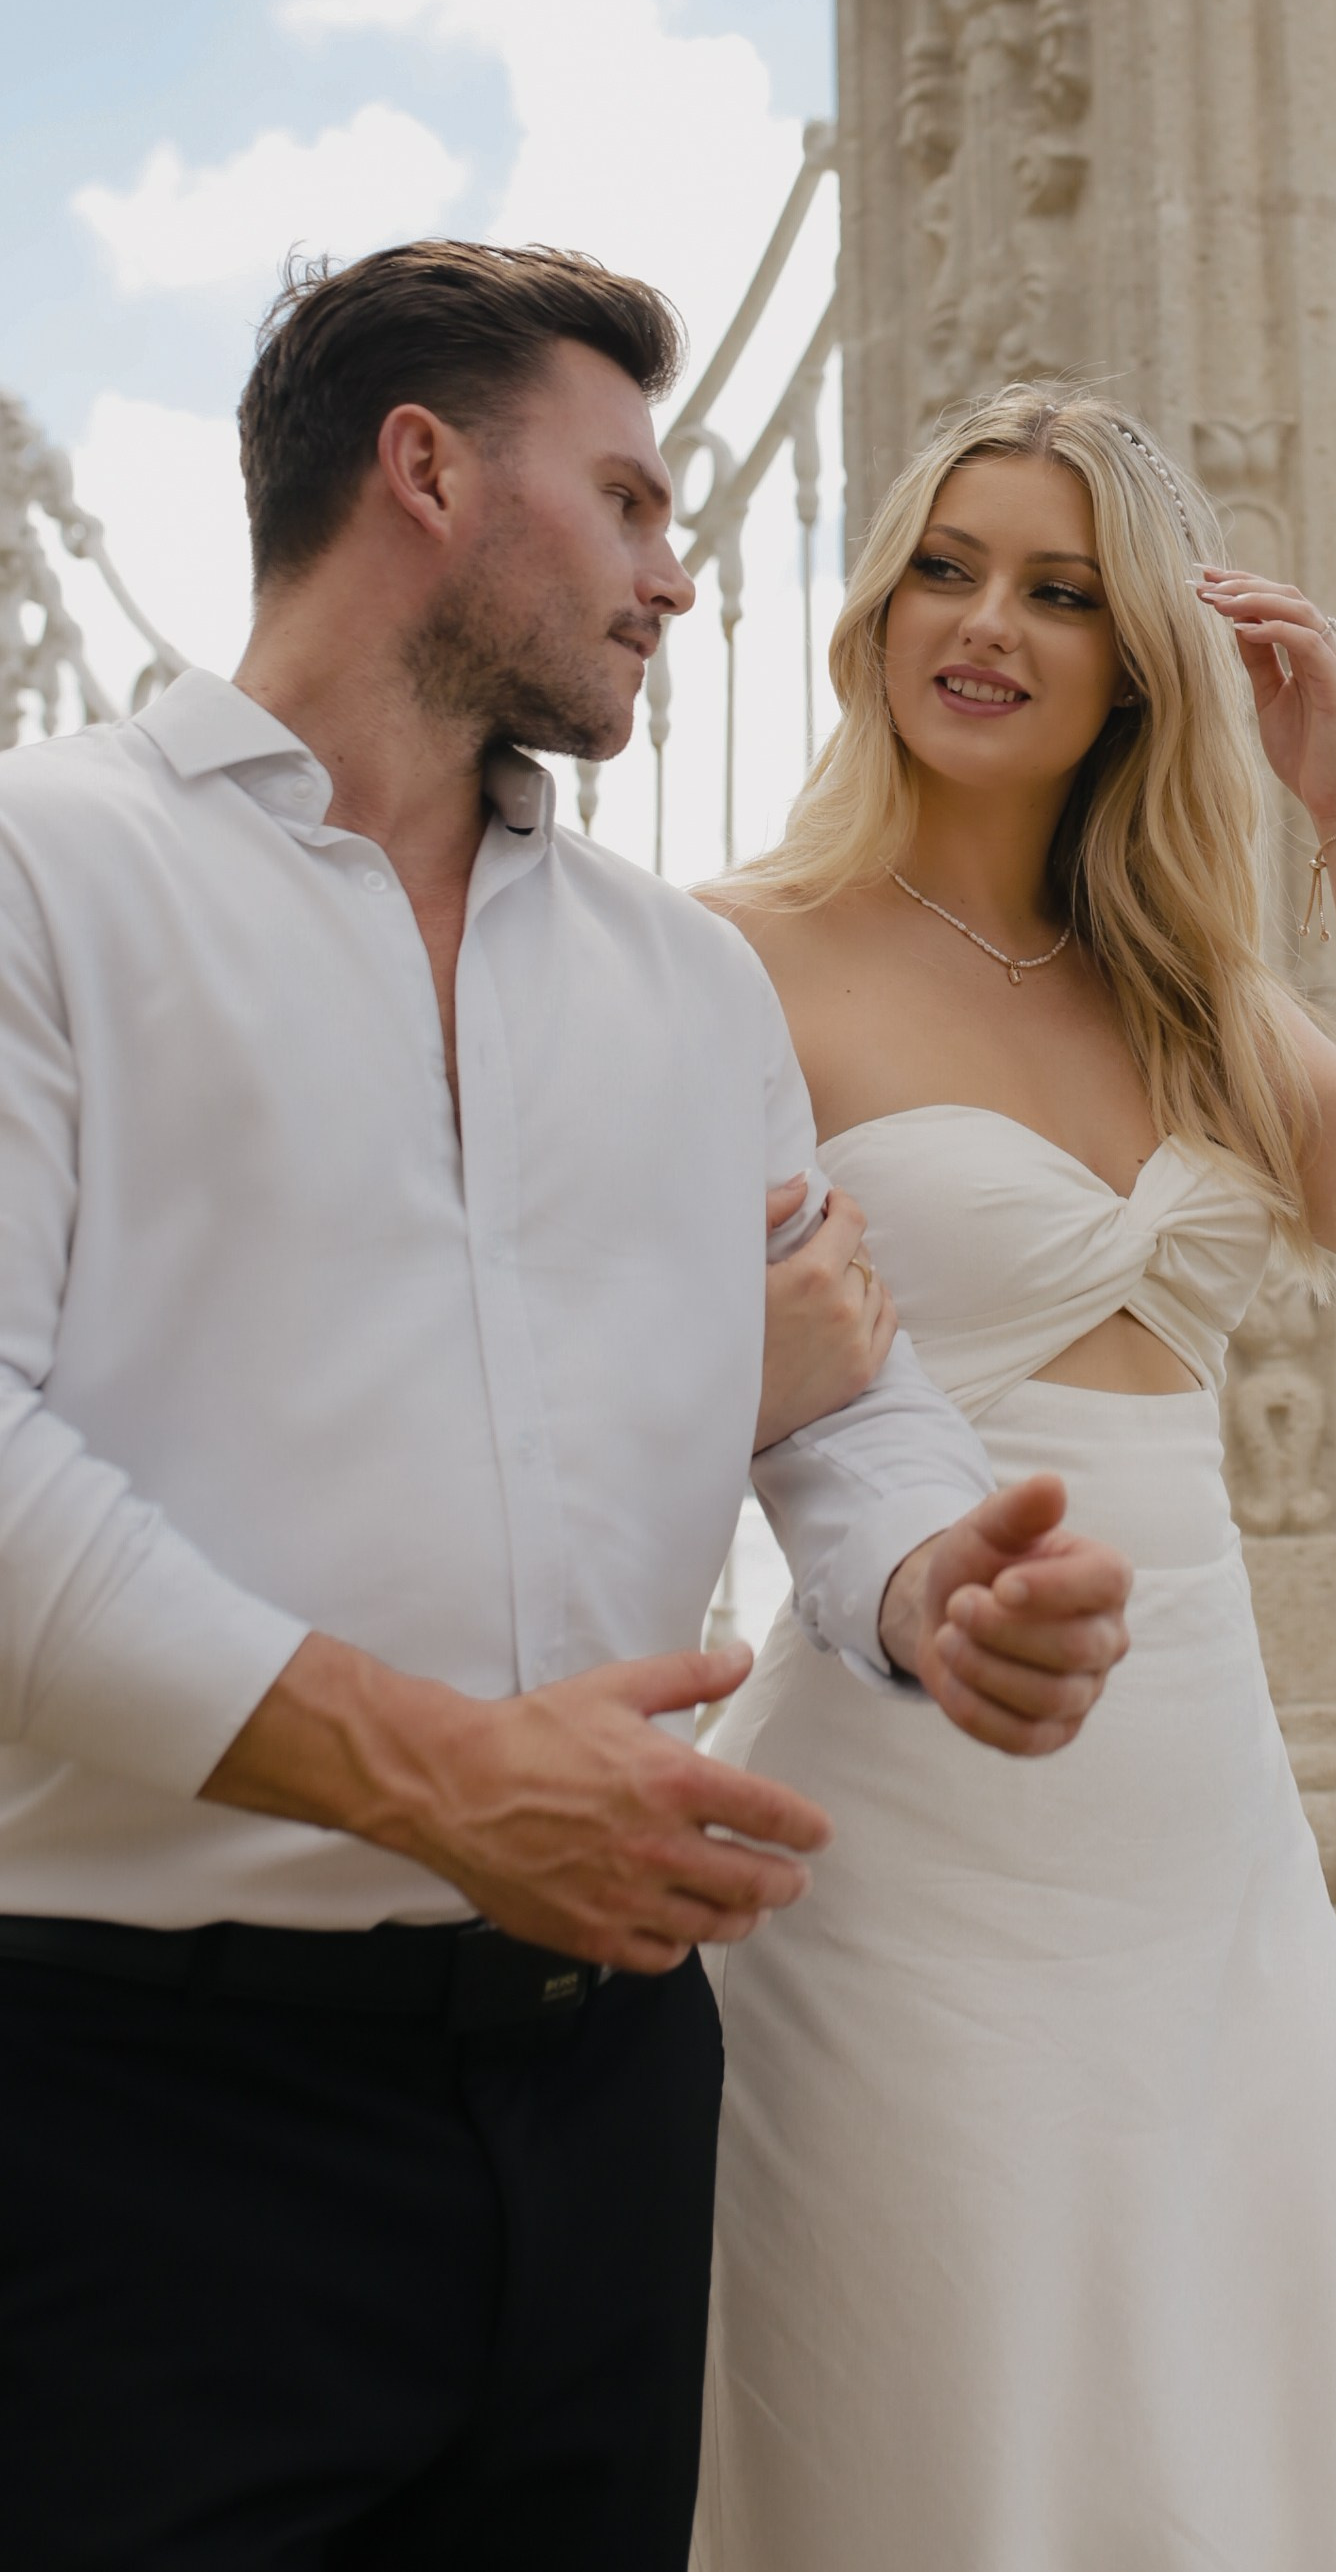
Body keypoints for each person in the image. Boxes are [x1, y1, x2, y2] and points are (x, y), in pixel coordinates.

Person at [0, 247, 1132, 2572]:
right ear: (427, 473)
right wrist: (434, 1774)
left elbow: (838, 1393)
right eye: (627, 499)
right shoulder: (46, 870)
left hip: (615, 2084)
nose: (675, 569)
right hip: (131, 2103)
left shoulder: (688, 978)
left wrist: (935, 1578)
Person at [691, 385, 1336, 2570]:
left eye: (1062, 592)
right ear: (877, 612)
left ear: (1139, 665)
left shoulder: (1187, 999)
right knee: (949, 2394)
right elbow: (634, 1371)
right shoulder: (735, 961)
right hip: (899, 1815)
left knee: (1239, 2388)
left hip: (1200, 1814)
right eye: (947, 569)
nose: (987, 623)